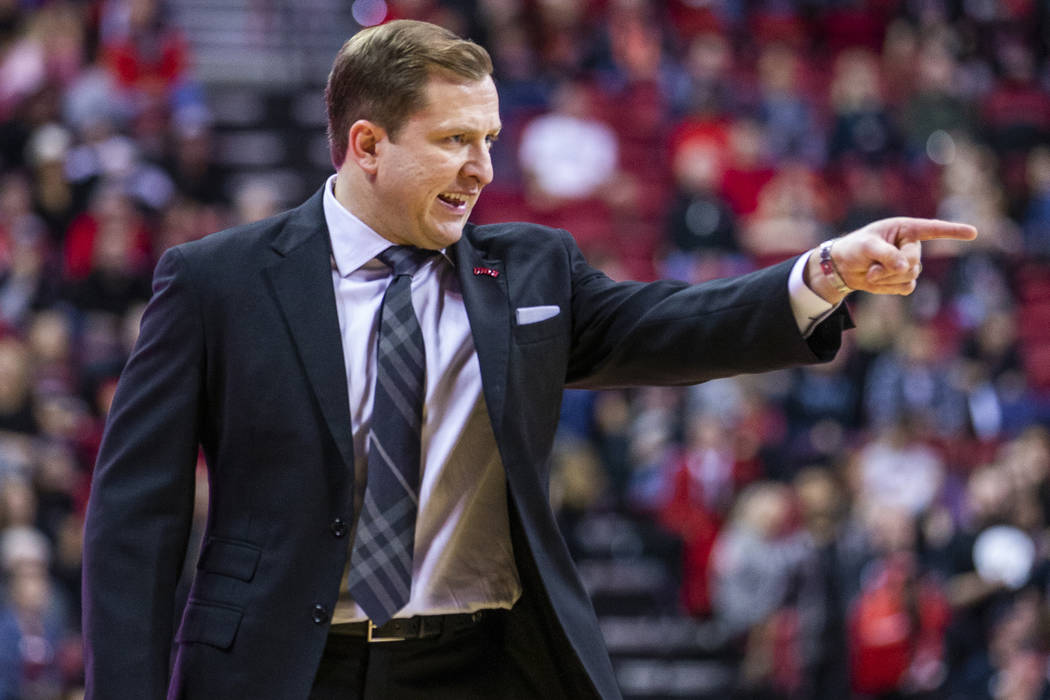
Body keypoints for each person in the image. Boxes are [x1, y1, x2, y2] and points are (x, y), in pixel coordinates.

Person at [80, 19, 977, 700]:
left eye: (491, 140)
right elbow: (135, 520)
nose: (482, 169)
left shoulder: (531, 267)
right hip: (283, 665)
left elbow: (673, 324)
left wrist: (821, 272)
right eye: (455, 141)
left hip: (484, 663)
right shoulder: (217, 282)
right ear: (367, 145)